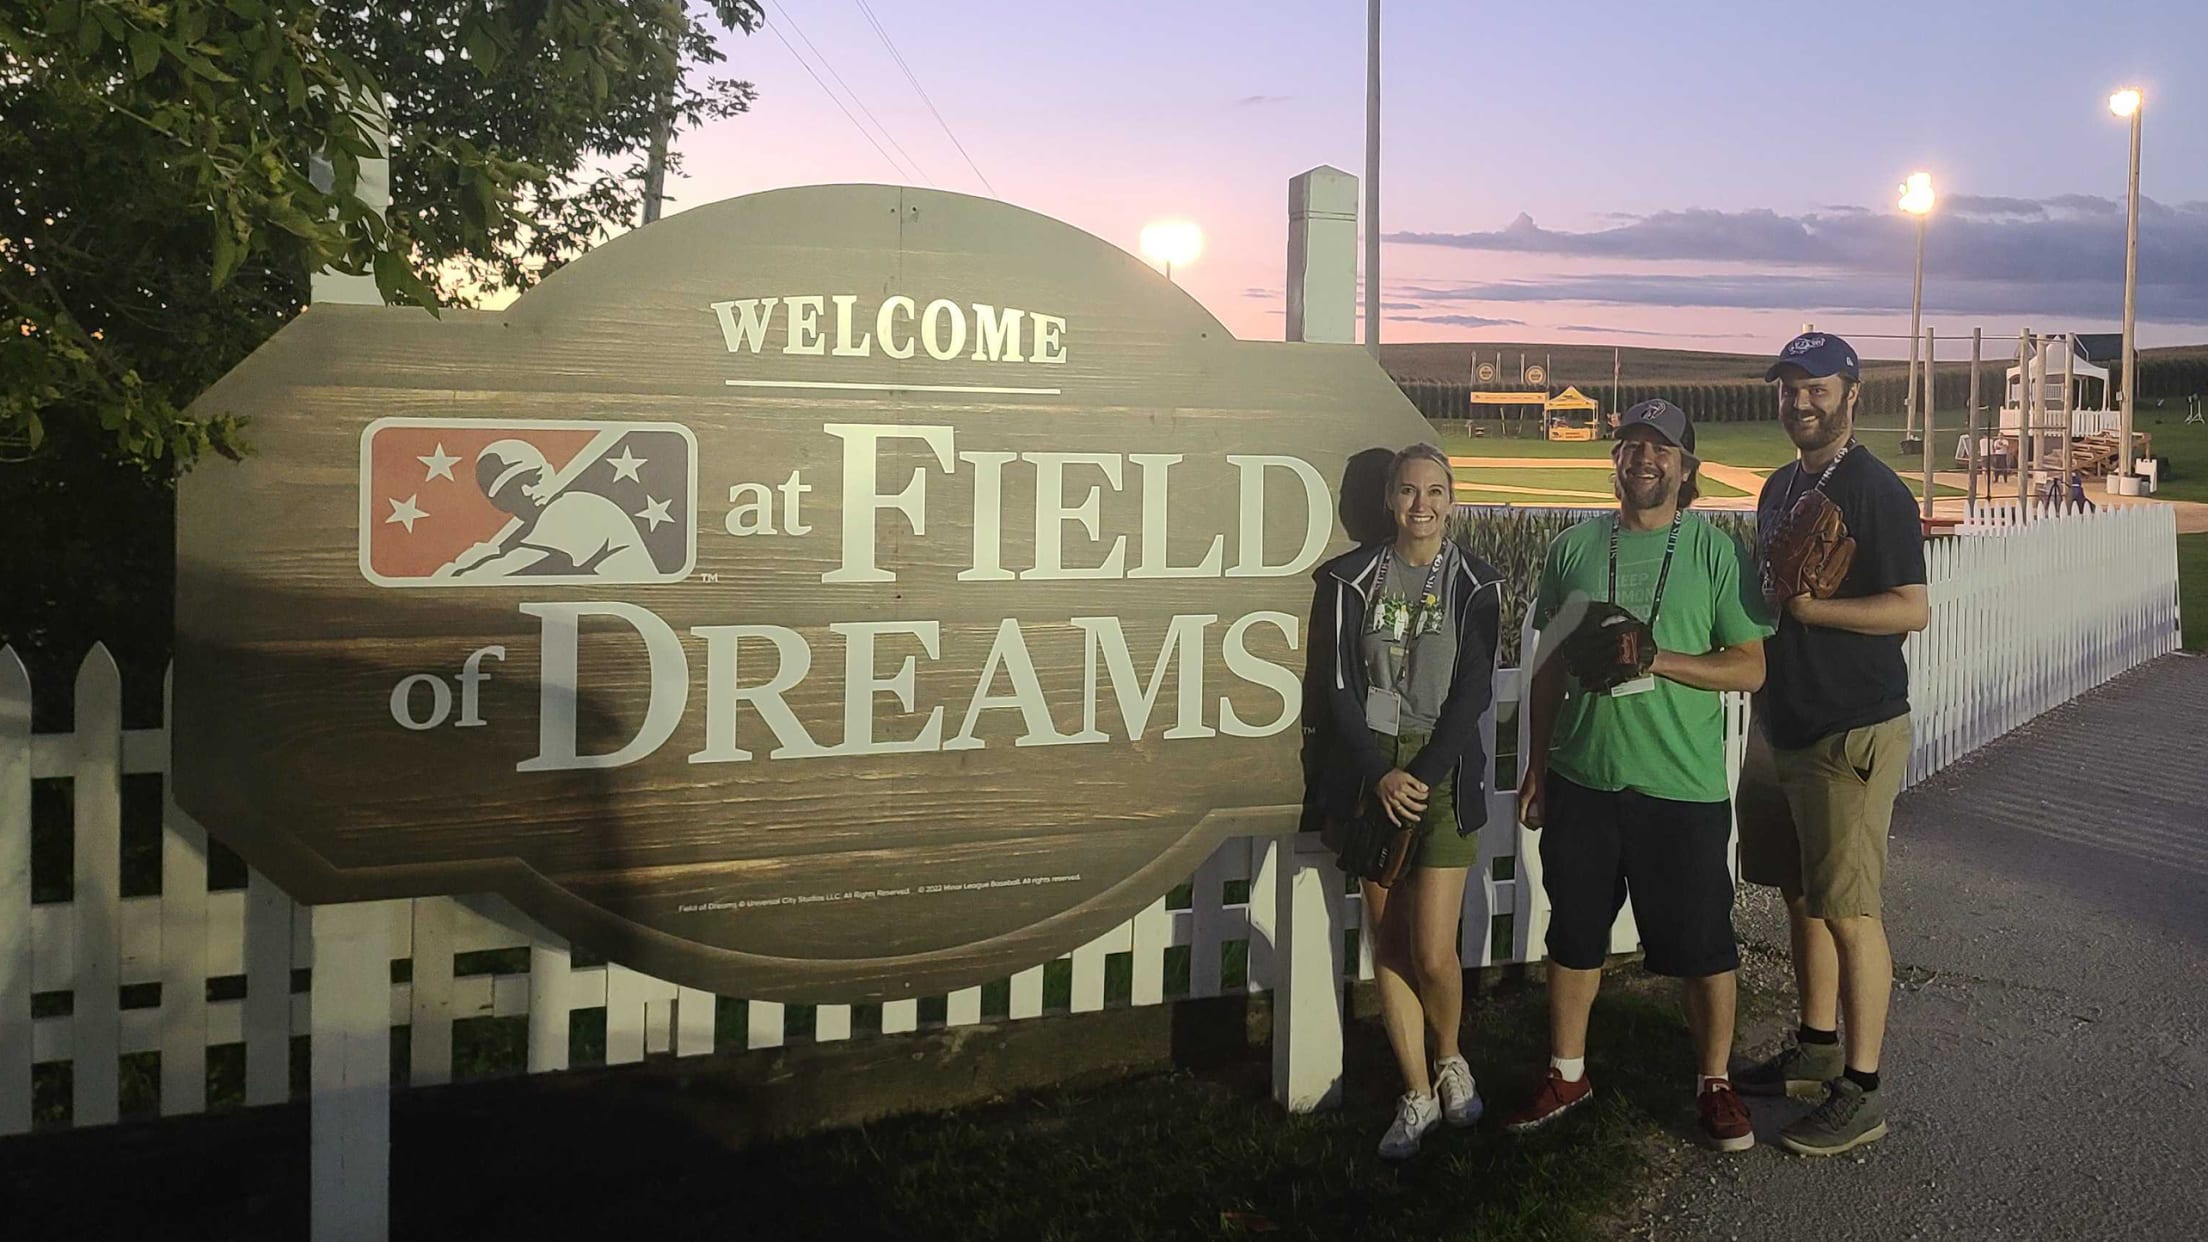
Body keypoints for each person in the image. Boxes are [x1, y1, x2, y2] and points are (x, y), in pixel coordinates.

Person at [1505, 400, 1772, 1152]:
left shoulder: (1716, 553)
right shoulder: (1573, 550)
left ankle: (1714, 1084)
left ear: (1687, 468)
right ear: (1614, 460)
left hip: (1679, 786)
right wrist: (1537, 766)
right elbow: (1549, 667)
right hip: (1584, 777)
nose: (1644, 459)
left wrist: (1659, 660)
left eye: (1661, 449)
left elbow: (1750, 667)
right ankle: (1567, 1072)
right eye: (1631, 446)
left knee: (1703, 943)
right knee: (1575, 931)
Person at [1736, 332, 1930, 1157]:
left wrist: (1822, 614)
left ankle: (1864, 1086)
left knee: (1850, 911)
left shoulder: (1877, 490)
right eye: (1788, 390)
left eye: (1816, 388)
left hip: (1849, 726)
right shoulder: (1780, 485)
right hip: (1783, 718)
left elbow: (1911, 608)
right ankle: (1815, 1045)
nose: (1800, 403)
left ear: (1853, 394)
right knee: (1799, 894)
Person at [1302, 443, 1503, 1159]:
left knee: (1432, 949)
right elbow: (1336, 686)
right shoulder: (1351, 578)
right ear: (1391, 500)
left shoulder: (1477, 581)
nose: (1422, 506)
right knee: (1387, 942)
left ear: (1452, 501)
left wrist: (1424, 769)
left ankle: (1450, 1054)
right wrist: (1378, 773)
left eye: (1436, 493)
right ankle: (1415, 1091)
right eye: (1409, 492)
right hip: (1373, 773)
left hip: (1439, 769)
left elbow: (1475, 687)